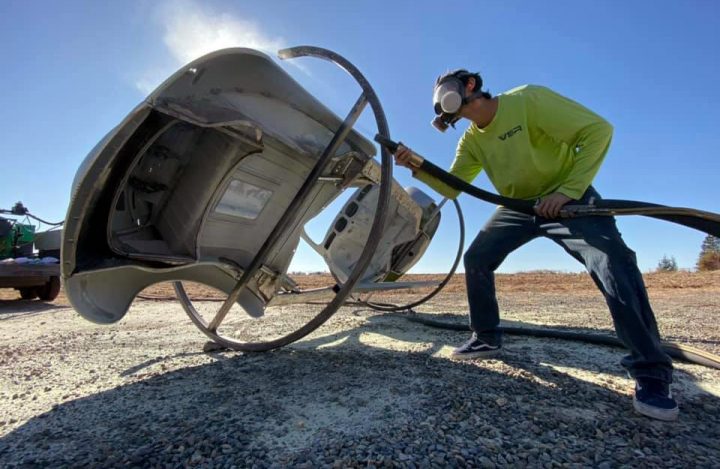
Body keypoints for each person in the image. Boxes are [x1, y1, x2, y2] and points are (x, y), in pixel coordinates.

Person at [393, 70, 678, 421]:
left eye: (446, 91)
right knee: (477, 258)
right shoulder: (471, 141)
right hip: (518, 207)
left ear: (469, 85)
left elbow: (598, 130)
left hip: (568, 199)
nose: (441, 101)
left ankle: (651, 372)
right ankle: (486, 336)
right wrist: (415, 166)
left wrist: (568, 191)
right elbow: (453, 187)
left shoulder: (527, 101)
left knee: (612, 262)